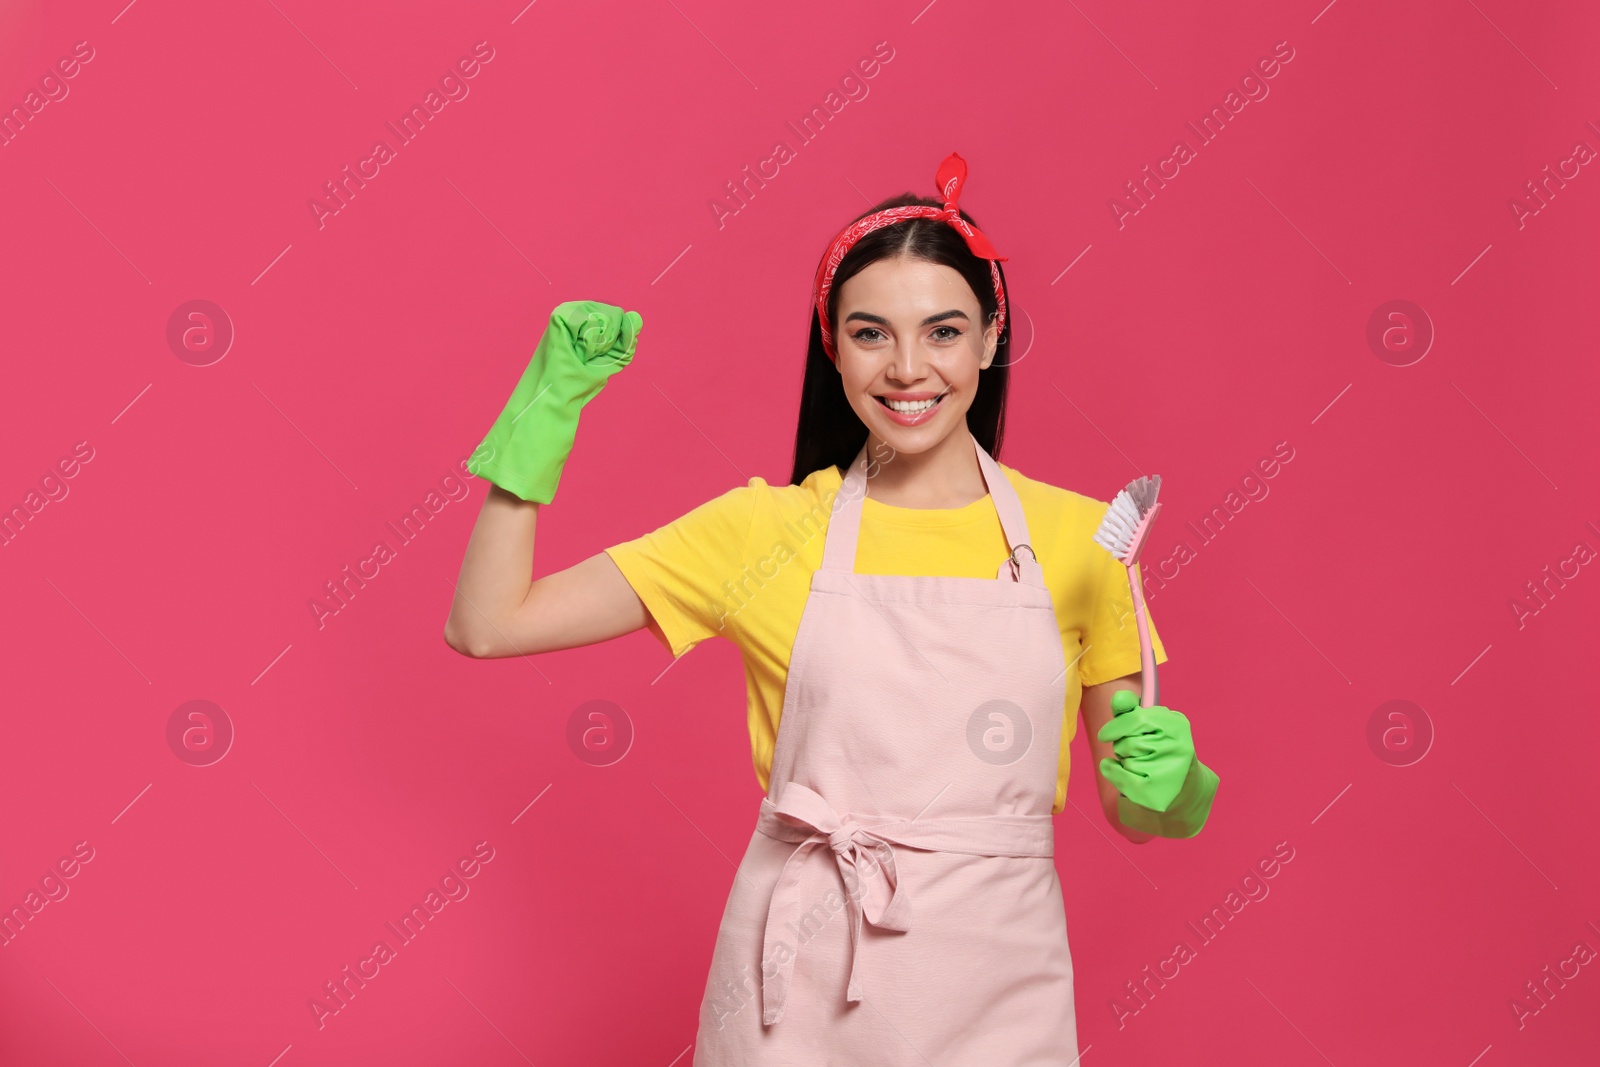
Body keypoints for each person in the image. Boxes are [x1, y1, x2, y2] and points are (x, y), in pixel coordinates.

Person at [443, 151, 1219, 1064]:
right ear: (831, 341)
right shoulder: (762, 531)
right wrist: (541, 421)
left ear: (989, 334)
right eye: (869, 333)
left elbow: (1137, 812)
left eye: (941, 331)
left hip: (997, 989)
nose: (906, 368)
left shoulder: (1087, 542)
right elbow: (488, 623)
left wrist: (1181, 787)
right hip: (796, 989)